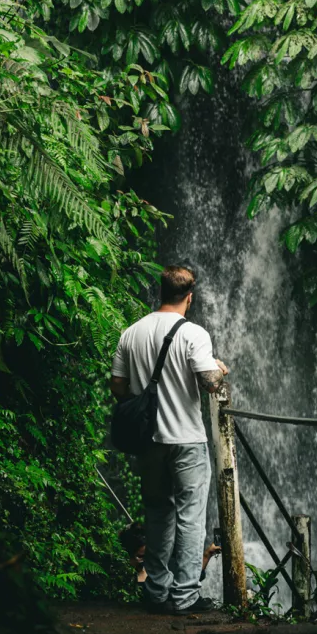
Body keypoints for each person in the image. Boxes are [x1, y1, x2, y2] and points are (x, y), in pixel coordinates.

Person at [110, 263, 229, 614]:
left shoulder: (131, 333)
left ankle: (157, 592)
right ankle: (185, 596)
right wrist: (219, 369)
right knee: (191, 516)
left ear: (159, 292)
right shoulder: (194, 334)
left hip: (149, 441)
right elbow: (210, 384)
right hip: (187, 440)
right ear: (189, 298)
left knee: (158, 512)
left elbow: (118, 386)